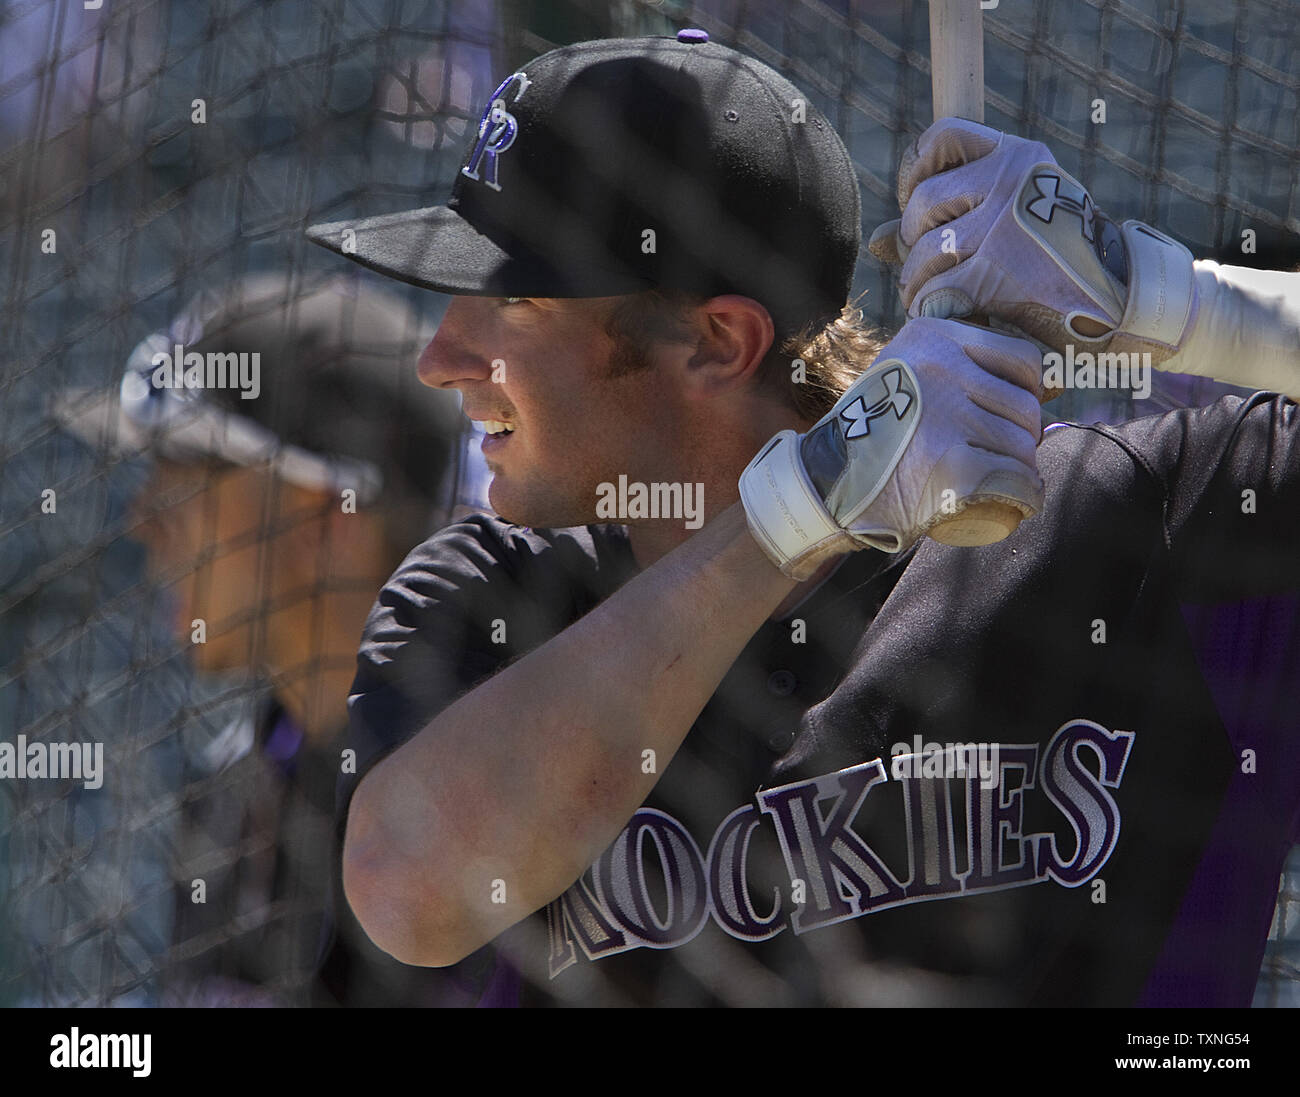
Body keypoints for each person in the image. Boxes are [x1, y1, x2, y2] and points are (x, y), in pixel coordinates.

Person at [306, 32, 1300, 1006]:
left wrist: (1146, 294)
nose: (439, 356)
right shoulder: (491, 593)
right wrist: (803, 507)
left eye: (514, 301)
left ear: (716, 342)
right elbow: (408, 891)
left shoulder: (1116, 518)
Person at [55, 273, 473, 1005]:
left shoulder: (493, 777)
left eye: (191, 475)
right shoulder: (231, 794)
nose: (144, 518)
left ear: (329, 520)